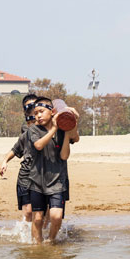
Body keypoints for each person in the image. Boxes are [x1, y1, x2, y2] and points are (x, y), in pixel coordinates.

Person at [27, 97, 77, 242]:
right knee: (37, 218)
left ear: (53, 112)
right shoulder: (33, 130)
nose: (38, 116)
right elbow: (38, 145)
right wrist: (54, 128)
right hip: (37, 181)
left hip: (57, 182)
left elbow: (64, 155)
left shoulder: (62, 131)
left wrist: (72, 123)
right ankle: (37, 245)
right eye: (36, 113)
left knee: (56, 216)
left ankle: (51, 240)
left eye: (41, 111)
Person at [0, 104, 38, 223]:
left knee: (39, 212)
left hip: (42, 178)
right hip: (25, 177)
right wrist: (5, 161)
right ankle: (26, 235)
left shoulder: (48, 135)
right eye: (29, 120)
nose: (32, 123)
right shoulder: (25, 135)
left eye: (34, 119)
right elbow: (15, 150)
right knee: (28, 212)